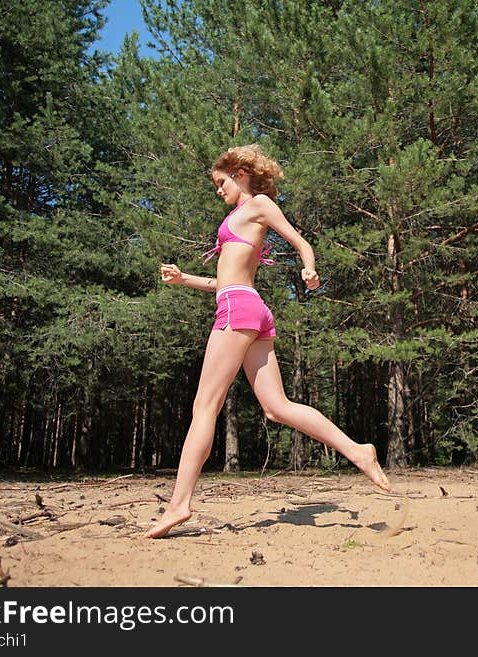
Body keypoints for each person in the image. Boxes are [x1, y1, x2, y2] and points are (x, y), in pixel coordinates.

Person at [146, 145, 391, 538]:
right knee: (277, 407)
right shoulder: (238, 219)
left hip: (238, 309)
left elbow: (300, 242)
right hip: (249, 306)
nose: (218, 190)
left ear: (240, 173)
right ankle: (358, 450)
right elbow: (226, 281)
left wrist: (309, 270)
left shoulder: (258, 204)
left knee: (204, 407)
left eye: (221, 182)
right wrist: (184, 279)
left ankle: (178, 505)